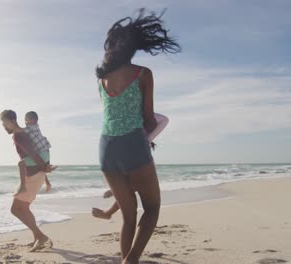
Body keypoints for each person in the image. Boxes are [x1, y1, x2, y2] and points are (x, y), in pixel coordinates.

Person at [96, 8, 180, 264]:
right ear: (134, 48)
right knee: (152, 208)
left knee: (128, 217)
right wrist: (152, 133)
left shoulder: (101, 79)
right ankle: (130, 261)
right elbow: (149, 118)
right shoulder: (143, 73)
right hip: (133, 143)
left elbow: (114, 112)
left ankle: (126, 260)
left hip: (105, 147)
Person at [93, 113, 169, 220]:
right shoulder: (125, 113)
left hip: (138, 153)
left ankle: (110, 209)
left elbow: (165, 120)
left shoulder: (140, 113)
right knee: (131, 185)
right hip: (125, 151)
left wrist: (148, 139)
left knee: (134, 185)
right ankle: (110, 207)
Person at [0, 109, 54, 252]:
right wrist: (45, 173)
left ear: (11, 121)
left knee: (16, 209)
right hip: (36, 174)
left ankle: (40, 236)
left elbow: (34, 155)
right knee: (23, 208)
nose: (4, 126)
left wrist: (45, 168)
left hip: (33, 176)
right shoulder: (24, 134)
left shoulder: (19, 136)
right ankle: (37, 237)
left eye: (4, 123)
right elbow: (37, 156)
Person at [15, 111, 54, 196]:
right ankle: (47, 182)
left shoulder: (29, 128)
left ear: (33, 120)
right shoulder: (37, 127)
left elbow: (19, 130)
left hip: (42, 154)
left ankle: (22, 187)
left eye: (26, 120)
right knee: (41, 167)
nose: (25, 122)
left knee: (21, 164)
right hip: (46, 154)